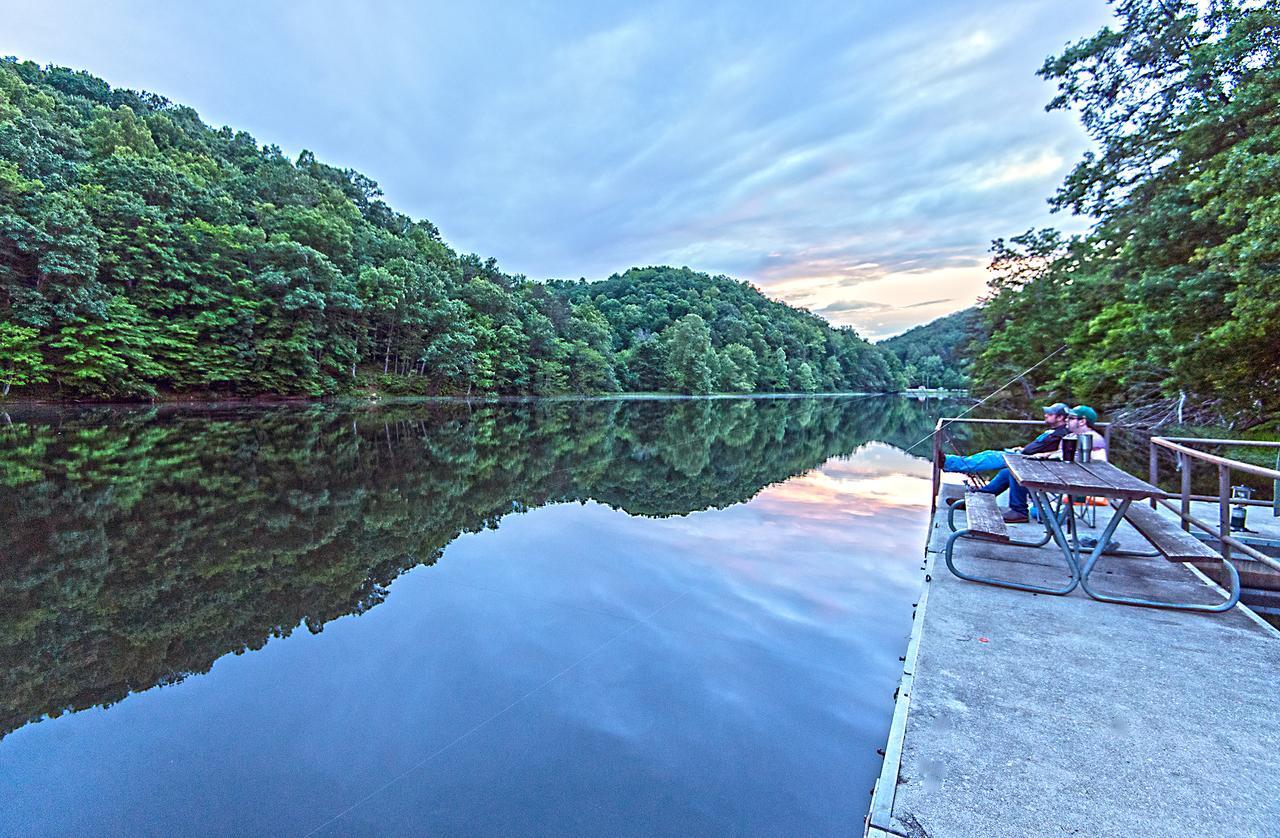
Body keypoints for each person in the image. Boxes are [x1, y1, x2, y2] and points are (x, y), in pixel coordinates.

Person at [937, 402, 1072, 524]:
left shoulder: (1064, 434)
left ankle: (948, 462)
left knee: (990, 457)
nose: (1046, 415)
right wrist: (1023, 449)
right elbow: (1038, 446)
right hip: (1023, 456)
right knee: (1004, 472)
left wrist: (1039, 455)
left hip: (1031, 463)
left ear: (1060, 417)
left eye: (1050, 413)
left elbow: (1060, 452)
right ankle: (979, 499)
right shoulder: (1052, 431)